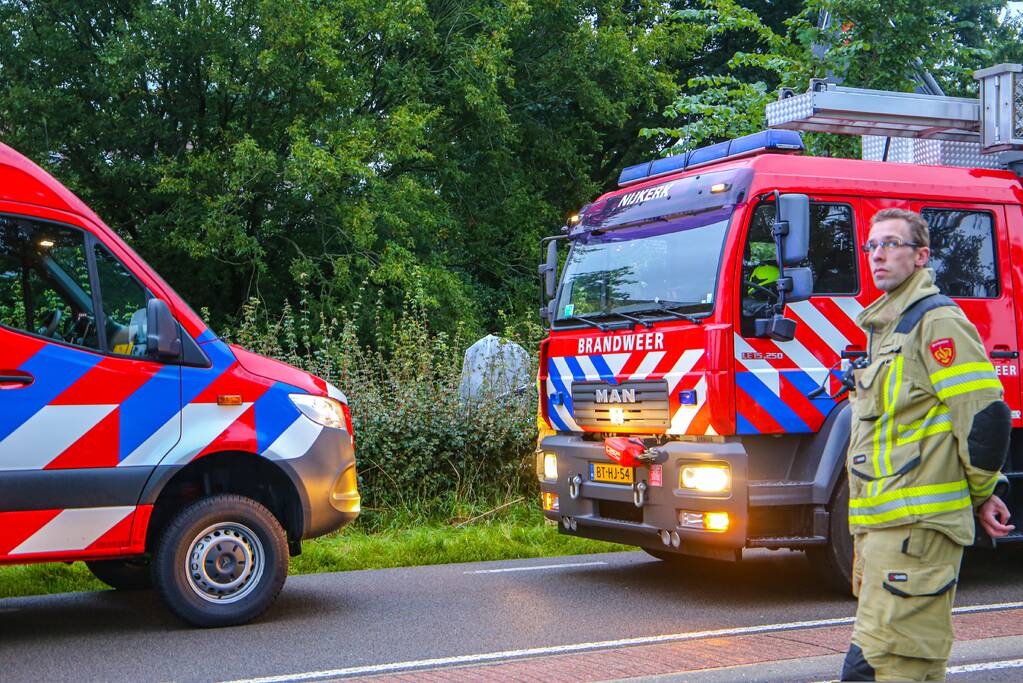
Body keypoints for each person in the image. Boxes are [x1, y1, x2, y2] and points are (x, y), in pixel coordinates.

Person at [840, 208, 1015, 682]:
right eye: (872, 245)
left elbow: (984, 418)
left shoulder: (936, 321)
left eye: (892, 243)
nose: (878, 254)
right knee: (906, 669)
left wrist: (979, 493)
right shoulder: (890, 326)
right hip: (890, 534)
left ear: (921, 256)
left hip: (915, 535)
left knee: (879, 671)